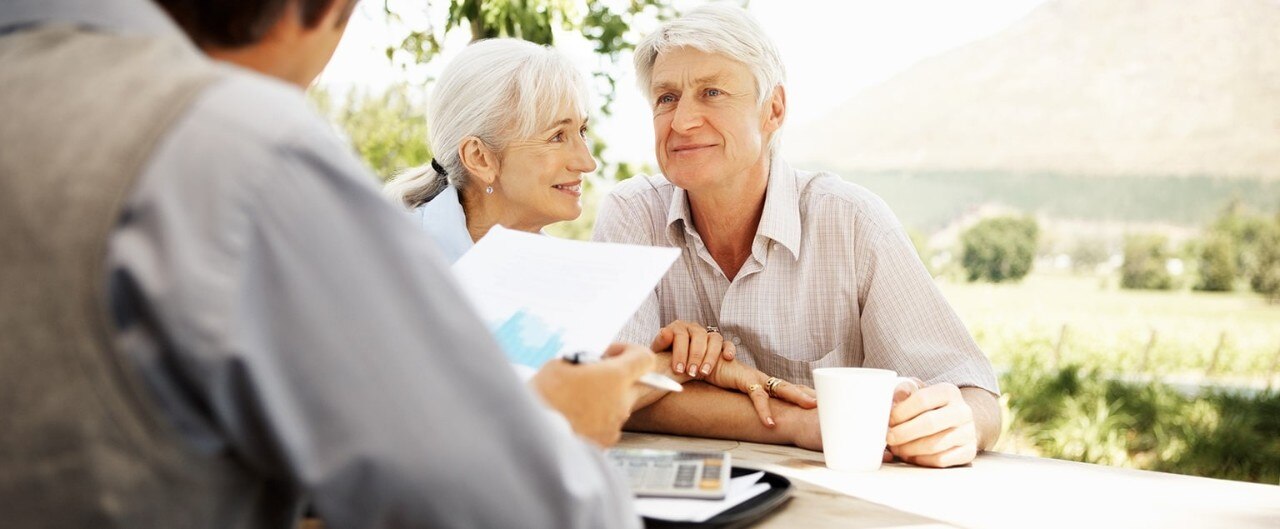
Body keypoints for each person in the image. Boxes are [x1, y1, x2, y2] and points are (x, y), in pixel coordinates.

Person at [0, 0, 644, 526]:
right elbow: (514, 507)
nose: (585, 161)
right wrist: (560, 425)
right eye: (559, 135)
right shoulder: (237, 149)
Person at [592, 4, 1002, 468]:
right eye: (666, 98)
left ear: (773, 110)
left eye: (712, 92)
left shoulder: (852, 222)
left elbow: (976, 393)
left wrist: (961, 424)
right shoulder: (633, 214)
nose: (682, 121)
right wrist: (798, 420)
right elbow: (612, 394)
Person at [383, 37, 817, 427]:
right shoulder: (391, 265)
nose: (586, 162)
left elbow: (579, 398)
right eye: (557, 136)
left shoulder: (556, 275)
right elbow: (507, 412)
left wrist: (684, 363)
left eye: (582, 131)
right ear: (480, 158)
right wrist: (671, 363)